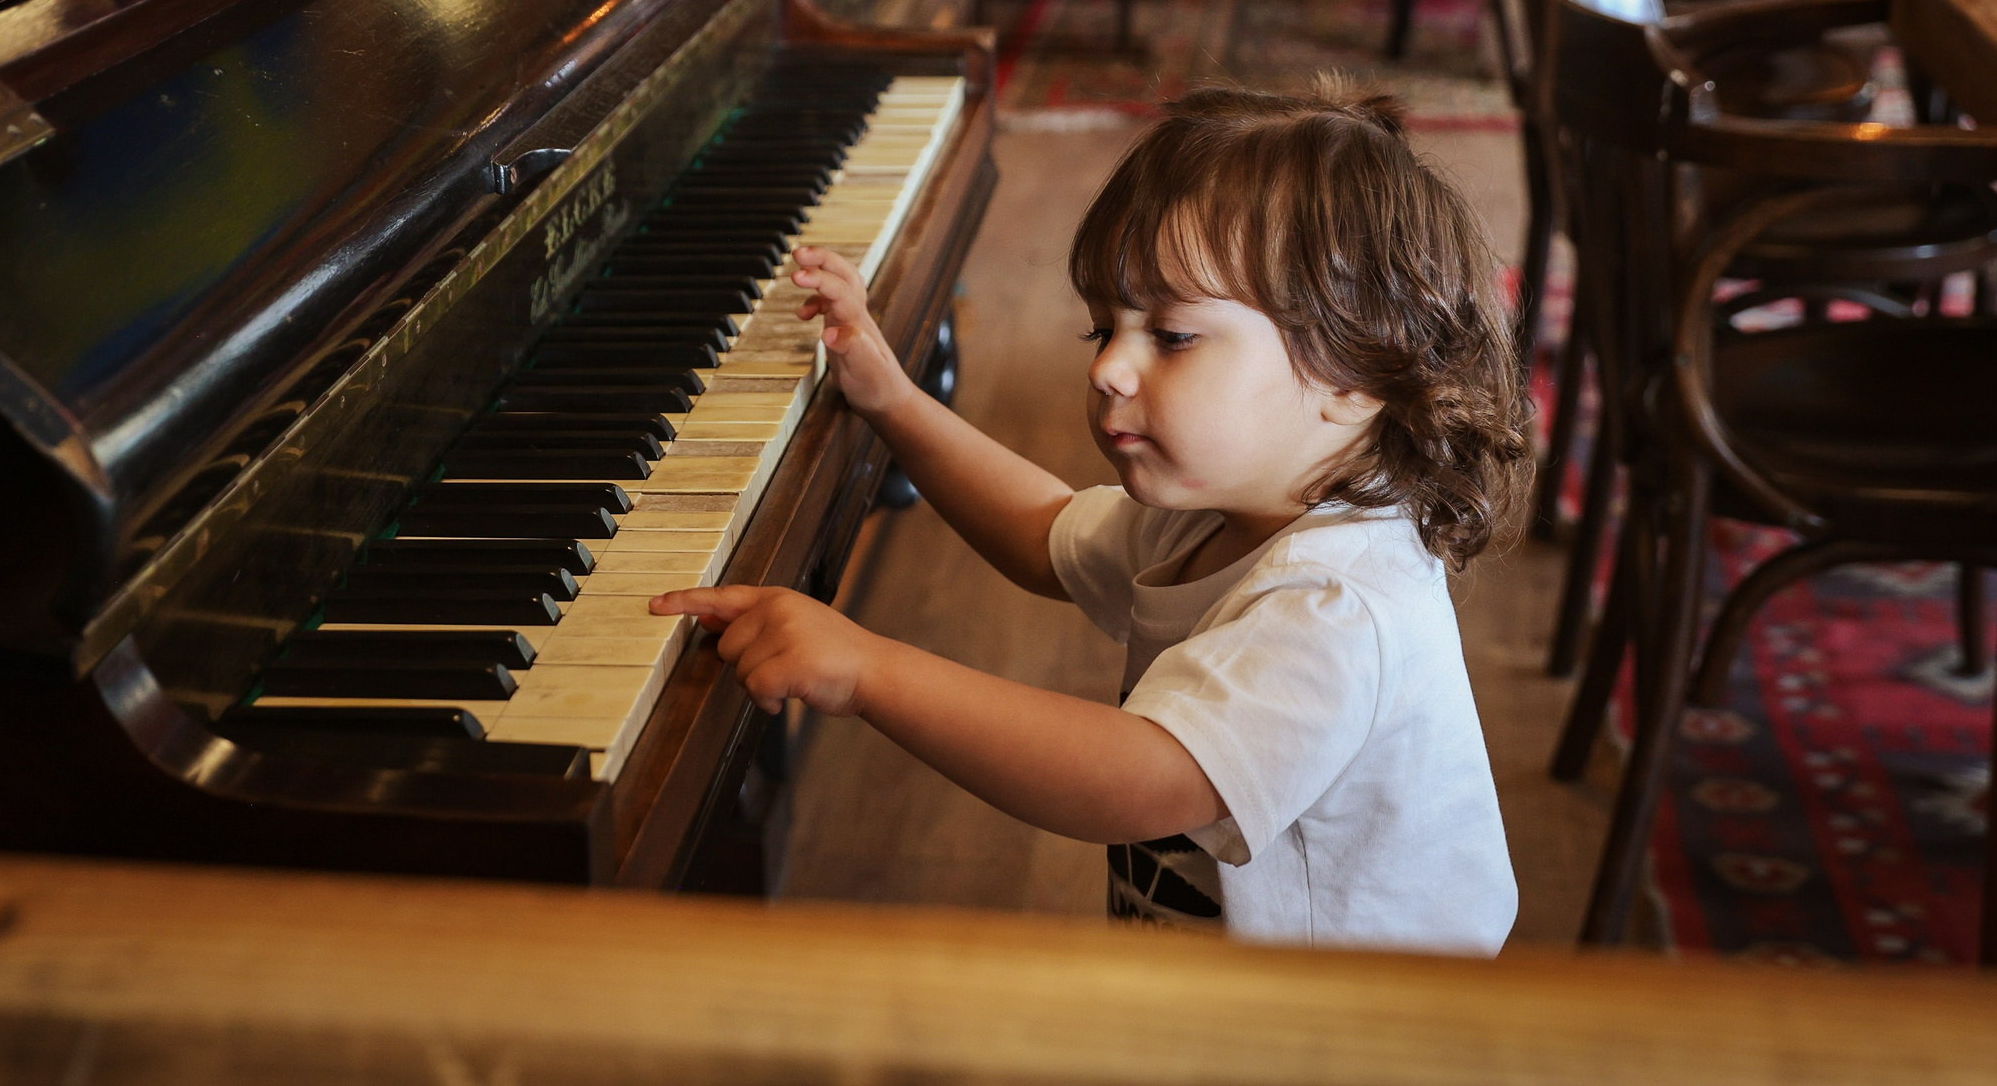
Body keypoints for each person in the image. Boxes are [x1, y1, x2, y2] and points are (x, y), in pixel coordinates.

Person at [652, 85, 1531, 951]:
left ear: (1352, 375)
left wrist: (866, 671)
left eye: (1172, 335)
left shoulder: (1340, 607)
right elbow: (1045, 531)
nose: (1110, 367)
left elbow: (1140, 776)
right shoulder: (1223, 515)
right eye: (1103, 329)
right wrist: (893, 401)